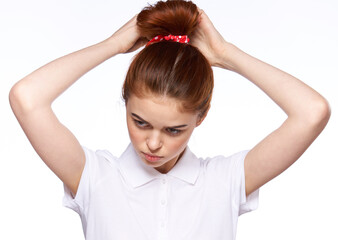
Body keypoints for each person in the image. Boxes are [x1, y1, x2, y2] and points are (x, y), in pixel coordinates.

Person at [9, 0, 330, 239]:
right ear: (125, 104)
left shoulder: (225, 182)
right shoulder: (94, 178)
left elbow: (312, 112)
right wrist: (112, 46)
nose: (153, 142)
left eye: (174, 129)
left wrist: (226, 53)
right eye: (140, 121)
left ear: (201, 117)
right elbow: (26, 97)